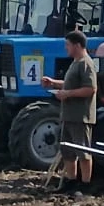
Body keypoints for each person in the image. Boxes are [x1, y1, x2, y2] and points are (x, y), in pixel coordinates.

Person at [41, 31, 97, 196]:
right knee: (67, 151)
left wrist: (67, 94)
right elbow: (71, 84)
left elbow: (90, 89)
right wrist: (55, 84)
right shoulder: (75, 63)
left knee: (83, 152)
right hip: (68, 116)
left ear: (77, 45)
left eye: (68, 45)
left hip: (81, 116)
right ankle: (71, 182)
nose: (66, 48)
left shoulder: (86, 63)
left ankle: (86, 185)